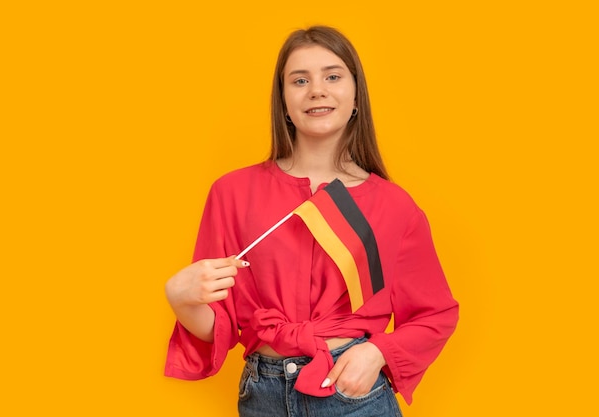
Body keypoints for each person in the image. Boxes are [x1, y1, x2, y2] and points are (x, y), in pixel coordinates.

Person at [164, 25, 459, 417]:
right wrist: (181, 300)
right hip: (262, 395)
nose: (316, 89)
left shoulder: (395, 206)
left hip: (352, 392)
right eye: (299, 80)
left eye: (332, 76)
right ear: (283, 101)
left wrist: (376, 353)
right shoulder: (232, 193)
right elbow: (218, 324)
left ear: (356, 96)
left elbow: (435, 313)